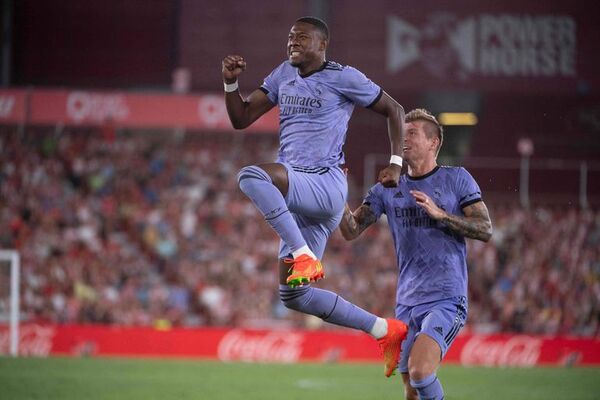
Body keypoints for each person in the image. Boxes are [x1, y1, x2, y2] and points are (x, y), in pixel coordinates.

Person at [222, 16, 407, 375]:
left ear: (322, 45)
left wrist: (396, 163)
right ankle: (384, 330)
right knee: (294, 296)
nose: (292, 42)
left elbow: (394, 110)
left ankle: (303, 253)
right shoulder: (282, 75)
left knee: (251, 175)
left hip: (323, 184)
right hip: (301, 195)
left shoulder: (344, 77)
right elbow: (241, 118)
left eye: (301, 38)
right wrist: (231, 84)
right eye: (290, 37)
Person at [339, 109, 493, 399]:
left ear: (433, 142)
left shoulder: (457, 179)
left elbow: (485, 229)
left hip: (446, 297)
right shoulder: (387, 188)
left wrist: (441, 214)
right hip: (407, 302)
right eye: (401, 133)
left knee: (421, 372)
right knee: (411, 391)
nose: (403, 139)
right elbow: (351, 230)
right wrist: (334, 192)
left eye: (411, 133)